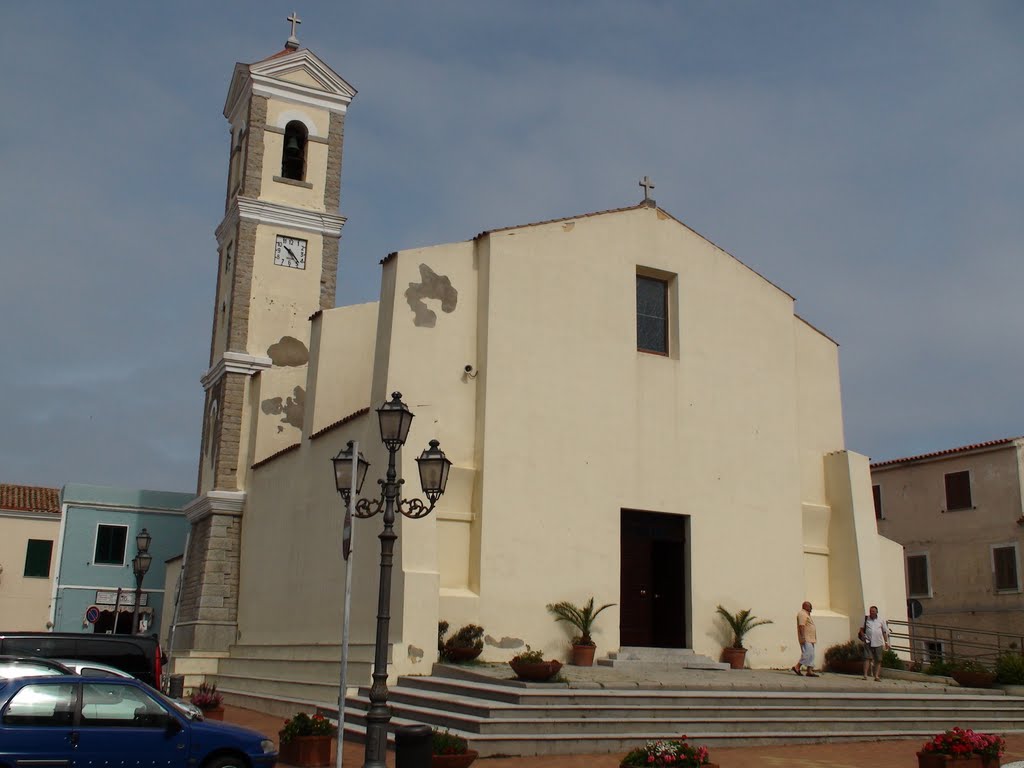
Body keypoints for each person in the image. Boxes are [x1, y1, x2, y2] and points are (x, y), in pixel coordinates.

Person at [861, 605, 890, 681]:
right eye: (870, 611)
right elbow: (861, 629)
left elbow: (884, 631)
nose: (871, 612)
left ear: (876, 612)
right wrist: (863, 635)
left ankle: (876, 676)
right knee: (867, 658)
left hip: (878, 642)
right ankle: (865, 675)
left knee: (878, 659)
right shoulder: (866, 619)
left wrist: (886, 642)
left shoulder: (881, 620)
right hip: (868, 641)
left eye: (873, 611)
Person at [791, 601, 818, 677]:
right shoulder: (802, 614)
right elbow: (801, 626)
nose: (811, 608)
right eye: (810, 607)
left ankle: (809, 671)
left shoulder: (806, 614)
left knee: (811, 655)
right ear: (805, 606)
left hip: (810, 638)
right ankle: (797, 667)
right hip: (806, 638)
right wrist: (802, 637)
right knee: (807, 654)